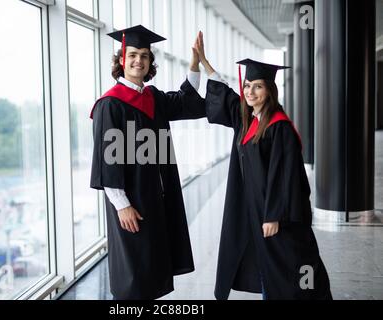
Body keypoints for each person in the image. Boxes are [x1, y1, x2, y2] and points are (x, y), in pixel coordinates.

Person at [193, 31, 332, 300]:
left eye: (258, 86)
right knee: (269, 268)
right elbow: (228, 97)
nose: (250, 91)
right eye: (247, 86)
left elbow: (286, 176)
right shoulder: (249, 120)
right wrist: (204, 63)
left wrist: (273, 215)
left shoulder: (279, 127)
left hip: (276, 217)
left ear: (270, 90)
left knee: (289, 269)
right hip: (255, 211)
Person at [90, 25, 206, 300]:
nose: (138, 61)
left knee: (151, 267)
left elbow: (185, 101)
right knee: (134, 273)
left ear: (150, 62)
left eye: (144, 55)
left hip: (156, 197)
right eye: (132, 55)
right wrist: (122, 205)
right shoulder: (111, 104)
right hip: (132, 201)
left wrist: (194, 64)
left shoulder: (152, 98)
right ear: (121, 60)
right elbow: (109, 161)